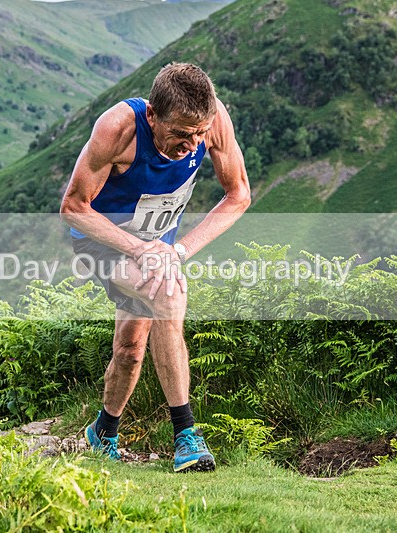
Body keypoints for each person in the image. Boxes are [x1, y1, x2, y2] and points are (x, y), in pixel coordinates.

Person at [60, 62, 251, 472]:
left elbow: (238, 196)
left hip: (160, 246)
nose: (191, 144)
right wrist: (139, 249)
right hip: (104, 239)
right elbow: (74, 207)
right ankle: (186, 435)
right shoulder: (119, 128)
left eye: (199, 134)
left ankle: (103, 432)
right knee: (167, 293)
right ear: (152, 115)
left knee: (130, 349)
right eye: (180, 133)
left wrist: (177, 250)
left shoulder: (213, 122)